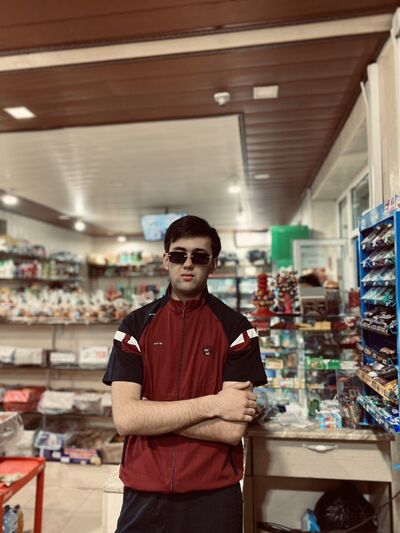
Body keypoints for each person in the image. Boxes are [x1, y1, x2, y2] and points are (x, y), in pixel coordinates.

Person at [103, 215, 267, 533]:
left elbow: (231, 430)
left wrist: (152, 415)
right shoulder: (134, 326)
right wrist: (213, 404)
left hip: (213, 495)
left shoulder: (237, 329)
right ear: (166, 260)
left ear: (213, 264)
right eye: (179, 255)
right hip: (144, 491)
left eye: (199, 256)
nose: (188, 263)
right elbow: (126, 419)